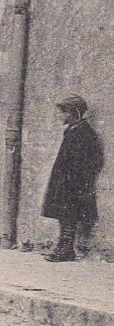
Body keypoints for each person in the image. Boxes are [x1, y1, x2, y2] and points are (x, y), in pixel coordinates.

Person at [42, 95, 104, 262]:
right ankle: (63, 247)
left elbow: (92, 160)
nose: (61, 116)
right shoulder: (71, 130)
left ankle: (66, 249)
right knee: (64, 216)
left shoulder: (84, 132)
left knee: (70, 215)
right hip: (65, 182)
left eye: (64, 113)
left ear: (75, 113)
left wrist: (76, 179)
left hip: (74, 184)